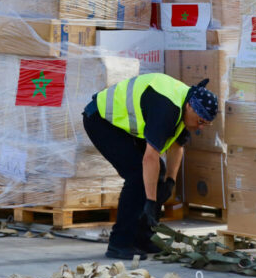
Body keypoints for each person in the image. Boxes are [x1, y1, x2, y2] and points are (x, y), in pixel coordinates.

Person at [82, 73, 218, 260]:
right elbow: (149, 158)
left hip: (123, 125)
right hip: (100, 119)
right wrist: (151, 202)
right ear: (190, 107)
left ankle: (143, 237)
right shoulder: (167, 109)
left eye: (206, 124)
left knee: (158, 174)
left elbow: (178, 147)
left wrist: (169, 182)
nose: (200, 127)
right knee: (138, 175)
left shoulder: (186, 104)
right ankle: (119, 242)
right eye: (200, 121)